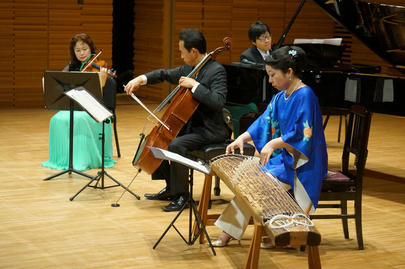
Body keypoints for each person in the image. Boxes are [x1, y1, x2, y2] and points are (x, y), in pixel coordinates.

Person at [212, 46, 328, 247]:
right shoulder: (281, 96)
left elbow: (303, 133)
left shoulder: (305, 95)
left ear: (289, 73)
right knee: (250, 184)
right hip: (286, 160)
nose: (271, 80)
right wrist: (242, 138)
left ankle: (262, 231)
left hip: (304, 165)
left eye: (273, 75)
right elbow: (265, 121)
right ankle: (233, 231)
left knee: (258, 185)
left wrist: (274, 143)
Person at [125, 28, 230, 212]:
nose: (181, 56)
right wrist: (140, 79)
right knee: (159, 141)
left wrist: (196, 86)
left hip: (210, 130)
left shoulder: (216, 71)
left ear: (194, 52)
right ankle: (172, 189)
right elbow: (164, 74)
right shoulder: (189, 68)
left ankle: (183, 196)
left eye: (182, 52)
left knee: (176, 145)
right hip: (192, 126)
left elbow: (218, 102)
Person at [42, 33, 117, 171]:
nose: (82, 53)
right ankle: (63, 159)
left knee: (80, 120)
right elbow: (59, 83)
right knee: (56, 119)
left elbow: (100, 99)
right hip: (76, 108)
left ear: (91, 49)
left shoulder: (99, 68)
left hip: (96, 110)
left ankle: (82, 160)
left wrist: (103, 79)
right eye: (78, 50)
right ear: (73, 52)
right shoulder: (71, 67)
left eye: (85, 49)